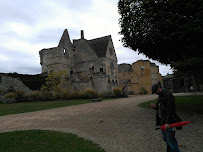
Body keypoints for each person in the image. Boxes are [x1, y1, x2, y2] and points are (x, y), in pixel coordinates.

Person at [150, 83, 180, 152]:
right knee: (165, 139)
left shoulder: (168, 95)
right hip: (162, 121)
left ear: (158, 88)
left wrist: (168, 122)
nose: (155, 93)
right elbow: (160, 107)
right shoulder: (161, 95)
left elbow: (171, 110)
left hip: (168, 122)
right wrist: (155, 106)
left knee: (171, 141)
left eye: (155, 91)